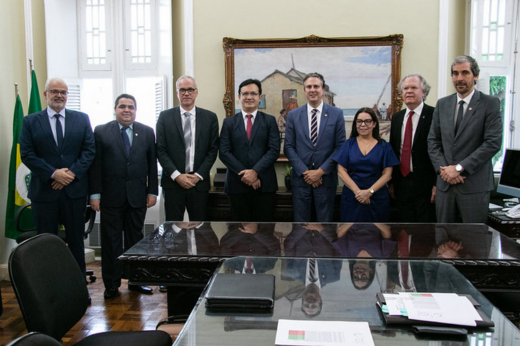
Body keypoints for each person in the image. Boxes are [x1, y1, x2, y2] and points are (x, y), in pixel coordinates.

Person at [20, 77, 95, 278]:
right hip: (45, 192)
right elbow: (27, 154)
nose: (59, 96)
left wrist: (70, 174)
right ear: (46, 95)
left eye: (63, 92)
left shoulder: (81, 118)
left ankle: (78, 285)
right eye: (54, 91)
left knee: (76, 241)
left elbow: (89, 151)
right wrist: (53, 174)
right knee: (46, 242)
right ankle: (50, 287)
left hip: (74, 191)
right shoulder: (30, 121)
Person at [89, 94, 158, 299]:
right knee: (111, 242)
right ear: (115, 109)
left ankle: (136, 281)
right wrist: (94, 194)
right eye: (122, 106)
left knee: (135, 241)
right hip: (110, 197)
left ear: (135, 110)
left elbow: (152, 165)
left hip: (138, 197)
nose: (126, 110)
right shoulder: (101, 131)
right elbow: (95, 166)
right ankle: (111, 284)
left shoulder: (146, 132)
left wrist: (152, 191)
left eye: (131, 107)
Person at [428, 55, 502, 223]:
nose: (459, 78)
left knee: (473, 242)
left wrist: (460, 168)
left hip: (474, 186)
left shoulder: (489, 103)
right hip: (445, 185)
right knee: (444, 241)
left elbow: (492, 143)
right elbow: (433, 141)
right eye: (455, 73)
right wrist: (445, 172)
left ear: (475, 76)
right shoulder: (443, 104)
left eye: (465, 73)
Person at [284, 72, 346, 222]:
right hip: (300, 181)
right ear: (304, 90)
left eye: (316, 86)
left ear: (323, 89)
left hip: (326, 180)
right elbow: (288, 147)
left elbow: (340, 146)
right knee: (301, 226)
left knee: (325, 227)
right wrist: (306, 172)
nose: (312, 90)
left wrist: (320, 171)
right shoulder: (293, 115)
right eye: (309, 86)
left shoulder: (336, 114)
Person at [156, 75, 219, 221]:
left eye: (190, 89)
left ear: (196, 92)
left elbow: (212, 150)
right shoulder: (165, 117)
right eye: (182, 90)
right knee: (172, 230)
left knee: (200, 230)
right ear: (177, 93)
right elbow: (161, 149)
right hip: (173, 184)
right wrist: (177, 175)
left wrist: (198, 176)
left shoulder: (210, 118)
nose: (186, 93)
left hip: (199, 184)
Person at [219, 79, 279, 221]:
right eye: (245, 93)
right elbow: (224, 152)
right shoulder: (229, 122)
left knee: (265, 234)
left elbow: (274, 150)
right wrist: (247, 175)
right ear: (239, 97)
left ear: (259, 97)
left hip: (264, 185)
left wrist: (255, 172)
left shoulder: (270, 121)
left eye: (253, 93)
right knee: (239, 233)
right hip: (236, 186)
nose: (249, 97)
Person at [334, 107, 399, 222]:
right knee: (351, 235)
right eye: (359, 121)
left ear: (374, 124)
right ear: (355, 124)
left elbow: (387, 175)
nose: (363, 124)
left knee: (378, 235)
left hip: (377, 197)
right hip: (352, 197)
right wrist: (358, 193)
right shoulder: (348, 145)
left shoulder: (384, 146)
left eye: (367, 121)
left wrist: (369, 192)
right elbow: (341, 171)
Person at [389, 74, 436, 222]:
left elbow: (441, 151)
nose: (409, 91)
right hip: (402, 184)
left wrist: (437, 184)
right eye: (405, 88)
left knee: (424, 233)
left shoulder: (434, 115)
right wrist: (391, 183)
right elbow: (393, 151)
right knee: (404, 229)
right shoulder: (397, 118)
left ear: (424, 92)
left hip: (426, 185)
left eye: (414, 87)